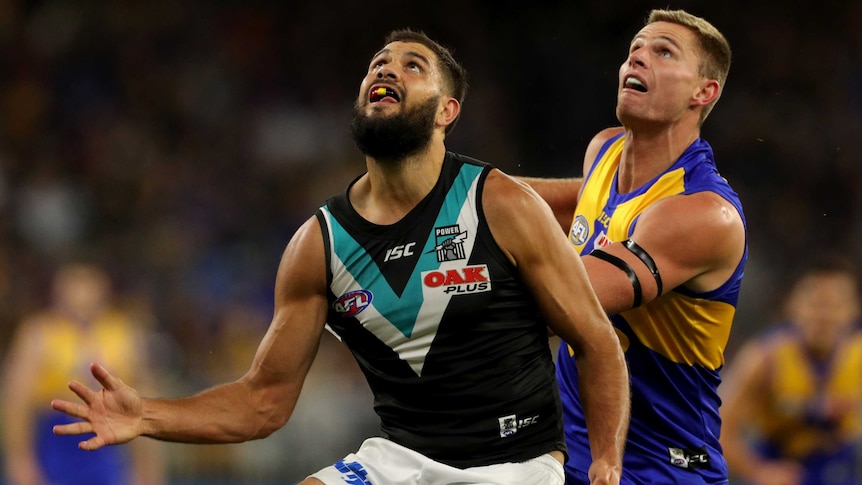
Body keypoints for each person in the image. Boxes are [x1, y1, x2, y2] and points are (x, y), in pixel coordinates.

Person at [50, 29, 630, 485]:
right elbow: (262, 403)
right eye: (378, 62)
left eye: (411, 65)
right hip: (400, 462)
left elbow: (596, 342)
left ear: (447, 110)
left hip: (514, 467)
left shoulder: (501, 203)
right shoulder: (319, 244)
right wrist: (146, 415)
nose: (385, 68)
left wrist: (604, 463)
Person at [522, 8, 747, 485]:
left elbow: (570, 300)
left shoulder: (703, 213)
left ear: (703, 92)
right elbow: (566, 206)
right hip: (570, 453)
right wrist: (453, 188)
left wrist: (454, 272)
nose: (638, 58)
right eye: (635, 50)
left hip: (661, 466)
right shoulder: (603, 150)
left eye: (663, 51)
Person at [2, 263, 165, 485]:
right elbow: (17, 400)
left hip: (110, 442)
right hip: (55, 437)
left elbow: (143, 400)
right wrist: (19, 459)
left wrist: (148, 465)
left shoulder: (123, 333)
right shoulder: (39, 333)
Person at [720, 258, 862, 485]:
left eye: (836, 304)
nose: (824, 316)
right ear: (791, 304)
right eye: (815, 303)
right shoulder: (764, 359)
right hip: (780, 465)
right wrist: (758, 471)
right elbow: (718, 431)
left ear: (854, 309)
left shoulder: (858, 356)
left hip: (842, 469)